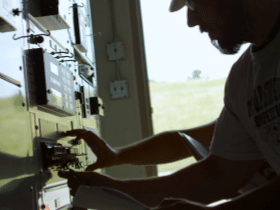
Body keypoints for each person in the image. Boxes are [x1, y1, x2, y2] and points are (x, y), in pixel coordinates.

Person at [58, 0, 280, 209]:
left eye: (193, 3)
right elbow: (218, 175)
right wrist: (114, 189)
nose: (191, 21)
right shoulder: (243, 77)